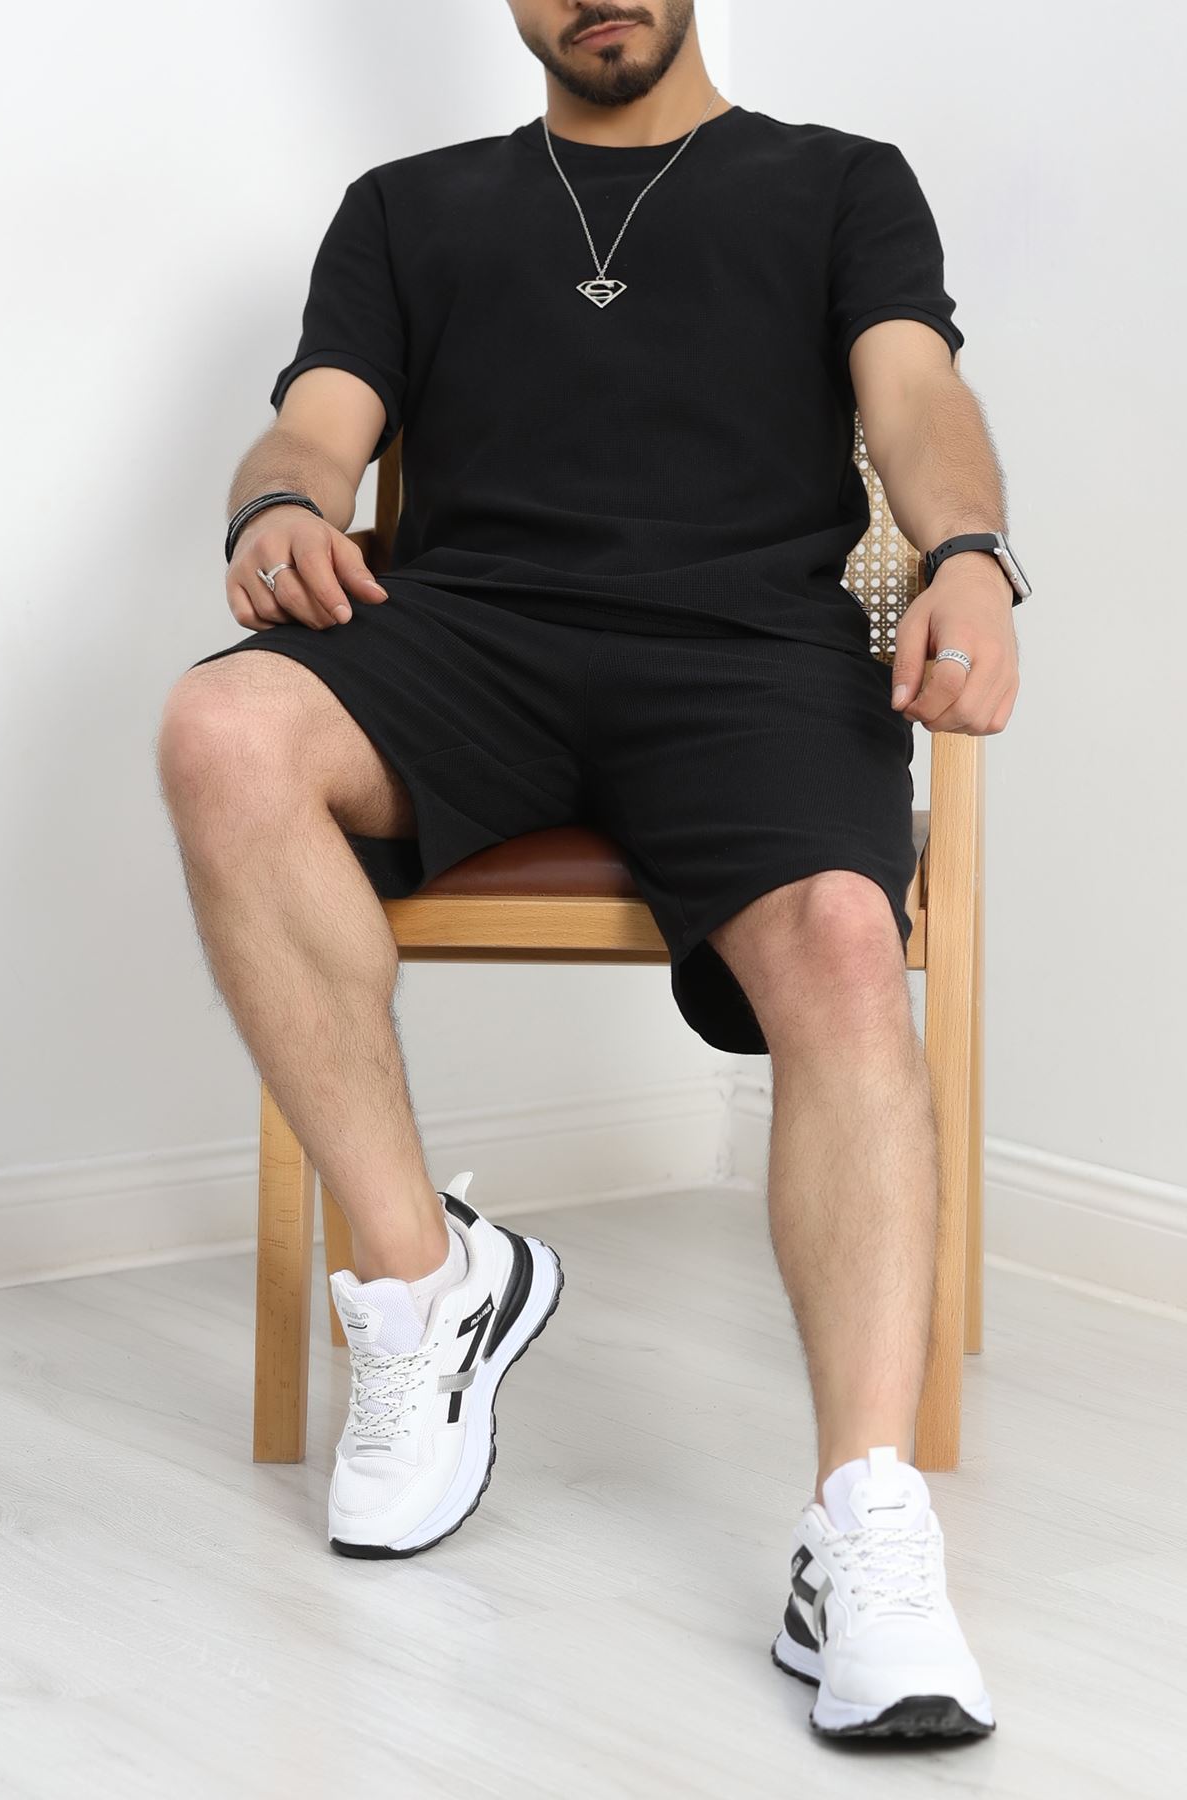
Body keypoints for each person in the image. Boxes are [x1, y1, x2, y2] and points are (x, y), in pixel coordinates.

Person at [156, 0, 1023, 1742]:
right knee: (222, 729)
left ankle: (864, 1527)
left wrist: (973, 553)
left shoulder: (837, 182)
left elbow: (918, 396)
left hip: (748, 660)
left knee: (846, 939)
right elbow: (315, 431)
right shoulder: (408, 205)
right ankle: (427, 1284)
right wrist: (277, 508)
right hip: (472, 639)